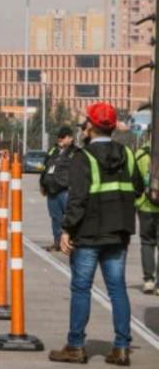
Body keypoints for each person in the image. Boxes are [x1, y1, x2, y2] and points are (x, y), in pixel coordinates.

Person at [49, 102, 144, 366]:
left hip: (89, 234)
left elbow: (77, 199)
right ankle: (122, 347)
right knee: (117, 289)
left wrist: (66, 229)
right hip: (118, 234)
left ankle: (76, 346)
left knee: (81, 288)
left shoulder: (84, 157)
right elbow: (137, 188)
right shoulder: (127, 153)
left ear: (90, 126)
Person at [40, 127, 77, 252]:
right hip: (52, 190)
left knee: (69, 217)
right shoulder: (53, 150)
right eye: (59, 136)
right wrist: (42, 184)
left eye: (63, 137)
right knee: (55, 218)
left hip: (66, 190)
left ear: (70, 138)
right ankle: (57, 242)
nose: (60, 139)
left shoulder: (75, 152)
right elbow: (45, 167)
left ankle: (70, 242)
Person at [135, 132, 159, 295]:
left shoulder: (140, 153)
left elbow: (134, 180)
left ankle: (148, 280)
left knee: (147, 243)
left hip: (145, 206)